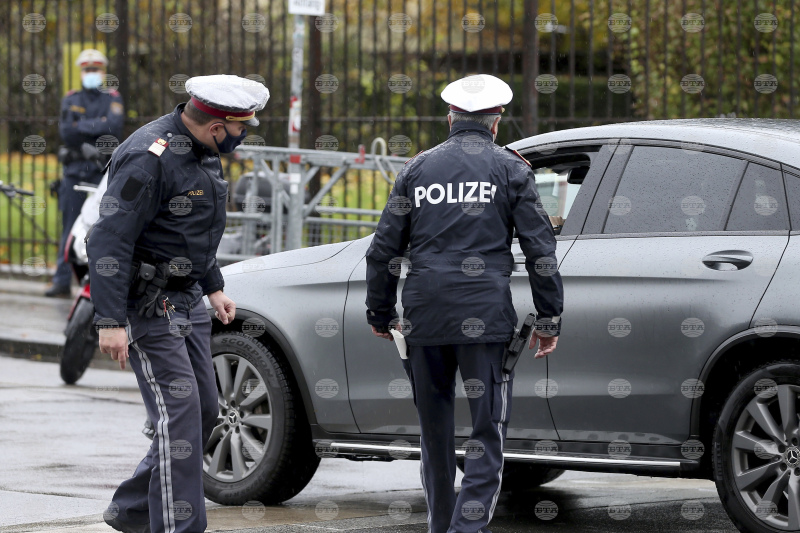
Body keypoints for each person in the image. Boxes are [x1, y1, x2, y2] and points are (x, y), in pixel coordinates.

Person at [365, 74, 563, 533]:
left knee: (433, 435)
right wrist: (549, 317)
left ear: (450, 117)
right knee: (486, 431)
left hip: (424, 316)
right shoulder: (511, 169)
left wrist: (380, 312)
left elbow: (383, 250)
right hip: (485, 318)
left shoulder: (417, 170)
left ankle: (441, 526)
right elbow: (540, 251)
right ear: (496, 122)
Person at [87, 74, 269, 533]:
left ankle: (132, 511)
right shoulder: (148, 158)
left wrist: (214, 286)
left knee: (204, 411)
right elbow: (108, 240)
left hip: (187, 301)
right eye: (241, 128)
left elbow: (190, 232)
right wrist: (109, 321)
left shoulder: (204, 150)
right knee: (181, 417)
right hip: (149, 306)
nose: (243, 137)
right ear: (216, 126)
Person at [47, 48, 124, 297]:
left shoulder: (112, 98)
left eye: (95, 69)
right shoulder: (71, 98)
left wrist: (81, 125)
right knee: (69, 226)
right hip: (75, 171)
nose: (91, 73)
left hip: (101, 171)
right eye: (87, 69)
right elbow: (67, 132)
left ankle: (98, 284)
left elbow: (113, 128)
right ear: (81, 72)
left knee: (102, 228)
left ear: (102, 71)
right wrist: (97, 125)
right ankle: (62, 281)